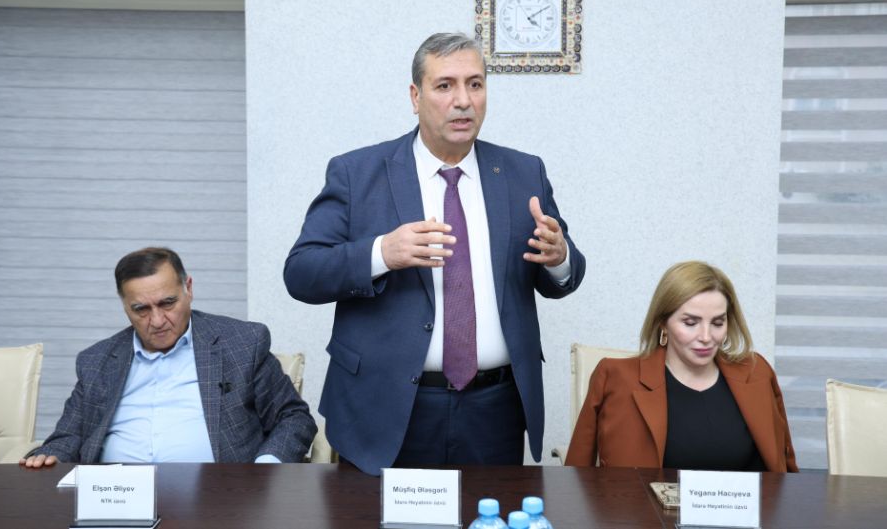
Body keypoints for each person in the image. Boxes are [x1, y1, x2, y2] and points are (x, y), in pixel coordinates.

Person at [284, 33, 585, 475]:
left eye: (475, 84)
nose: (463, 100)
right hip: (384, 406)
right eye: (445, 85)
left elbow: (564, 272)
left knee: (488, 513)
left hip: (495, 408)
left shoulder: (523, 172)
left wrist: (559, 258)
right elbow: (301, 273)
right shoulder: (357, 173)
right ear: (415, 96)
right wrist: (382, 253)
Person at [21, 247, 316, 467]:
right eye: (141, 309)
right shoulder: (97, 360)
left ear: (188, 289)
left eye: (167, 303)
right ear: (125, 306)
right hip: (117, 498)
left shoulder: (241, 343)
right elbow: (68, 436)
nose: (158, 320)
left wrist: (264, 469)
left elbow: (293, 418)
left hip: (220, 497)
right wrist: (50, 455)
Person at [565, 261, 797, 472]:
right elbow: (576, 476)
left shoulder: (757, 372)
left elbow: (786, 474)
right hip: (643, 507)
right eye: (690, 323)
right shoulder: (616, 378)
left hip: (749, 507)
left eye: (717, 323)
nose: (706, 337)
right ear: (662, 323)